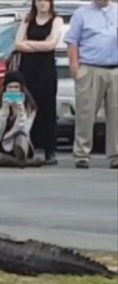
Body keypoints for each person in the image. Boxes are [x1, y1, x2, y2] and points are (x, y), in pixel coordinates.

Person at [64, 0, 118, 169]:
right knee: (85, 113)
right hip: (90, 68)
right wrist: (75, 69)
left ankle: (115, 155)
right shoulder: (82, 14)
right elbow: (72, 42)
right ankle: (81, 154)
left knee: (116, 115)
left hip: (114, 68)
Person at [13, 0, 64, 165]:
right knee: (28, 107)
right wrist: (39, 45)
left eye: (46, 1)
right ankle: (28, 146)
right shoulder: (27, 20)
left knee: (47, 108)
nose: (42, 4)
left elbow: (51, 44)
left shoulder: (56, 20)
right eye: (39, 1)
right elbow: (18, 43)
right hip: (27, 69)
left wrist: (29, 44)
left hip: (46, 70)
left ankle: (49, 149)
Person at [0, 72, 40, 167]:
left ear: (21, 89)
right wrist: (4, 112)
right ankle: (20, 162)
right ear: (5, 89)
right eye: (10, 87)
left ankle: (19, 159)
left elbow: (25, 130)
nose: (13, 90)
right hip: (2, 145)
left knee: (21, 137)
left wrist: (21, 113)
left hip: (21, 144)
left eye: (16, 87)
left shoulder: (30, 107)